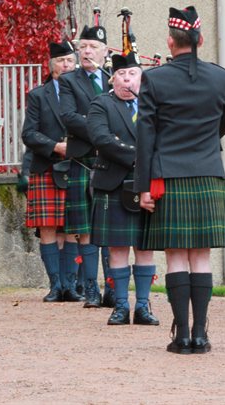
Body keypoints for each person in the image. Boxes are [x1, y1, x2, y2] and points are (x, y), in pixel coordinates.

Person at [135, 6, 225, 354]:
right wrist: (206, 139)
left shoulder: (155, 78)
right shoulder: (220, 77)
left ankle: (180, 335)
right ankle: (201, 333)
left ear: (170, 41)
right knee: (202, 257)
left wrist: (142, 186)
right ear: (200, 39)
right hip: (208, 171)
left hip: (168, 174)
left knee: (177, 256)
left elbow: (145, 136)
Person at [87, 52, 159, 326]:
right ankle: (120, 306)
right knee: (117, 248)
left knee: (144, 247)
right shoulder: (101, 104)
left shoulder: (151, 106)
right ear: (112, 78)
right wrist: (140, 155)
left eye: (132, 74)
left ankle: (142, 307)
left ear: (141, 78)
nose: (126, 79)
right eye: (121, 75)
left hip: (145, 184)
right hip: (114, 183)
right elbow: (101, 139)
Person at [21, 41, 82, 302]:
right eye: (60, 61)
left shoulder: (84, 91)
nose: (65, 65)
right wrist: (56, 146)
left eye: (69, 60)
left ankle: (70, 285)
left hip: (78, 164)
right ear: (51, 65)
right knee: (48, 228)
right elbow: (29, 133)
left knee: (72, 228)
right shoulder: (38, 95)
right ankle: (55, 286)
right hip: (46, 165)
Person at [58, 25, 114, 308]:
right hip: (84, 160)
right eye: (83, 47)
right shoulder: (69, 81)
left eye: (93, 46)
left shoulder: (114, 78)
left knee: (112, 226)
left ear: (105, 51)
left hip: (113, 161)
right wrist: (102, 130)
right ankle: (91, 288)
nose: (87, 51)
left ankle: (113, 289)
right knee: (88, 228)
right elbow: (68, 117)